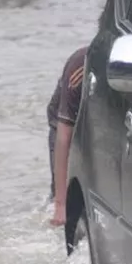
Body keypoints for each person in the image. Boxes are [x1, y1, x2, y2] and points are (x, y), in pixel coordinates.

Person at [47, 47, 87, 227]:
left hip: (94, 119)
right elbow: (63, 138)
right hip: (63, 120)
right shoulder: (81, 69)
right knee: (63, 199)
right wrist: (60, 205)